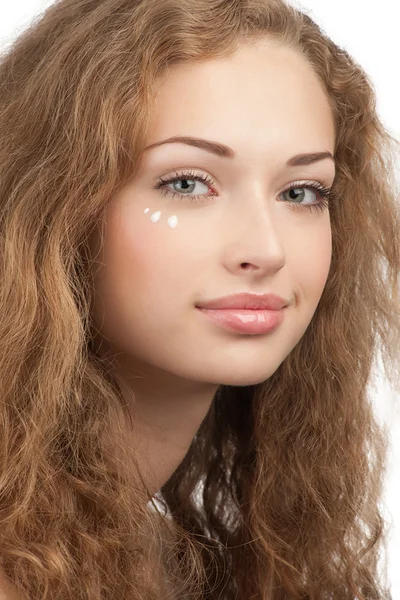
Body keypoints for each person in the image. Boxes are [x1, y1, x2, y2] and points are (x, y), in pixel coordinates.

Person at [0, 0, 399, 598]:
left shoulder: (157, 562)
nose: (266, 251)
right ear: (53, 208)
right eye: (186, 183)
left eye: (302, 191)